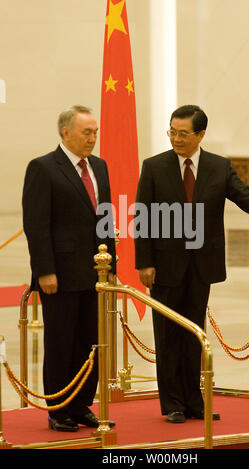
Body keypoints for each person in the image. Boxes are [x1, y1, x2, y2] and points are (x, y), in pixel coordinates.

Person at [134, 104, 249, 424]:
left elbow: (243, 194)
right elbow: (143, 216)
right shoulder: (154, 166)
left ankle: (194, 400)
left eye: (183, 133)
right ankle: (173, 404)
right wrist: (144, 262)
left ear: (200, 135)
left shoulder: (218, 167)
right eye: (172, 132)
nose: (176, 139)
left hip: (201, 265)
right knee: (168, 335)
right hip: (165, 266)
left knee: (195, 333)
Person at [22, 105, 116, 432]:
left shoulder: (100, 167)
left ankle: (81, 406)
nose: (93, 138)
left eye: (95, 132)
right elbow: (36, 225)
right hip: (59, 275)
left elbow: (105, 218)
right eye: (86, 132)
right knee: (61, 344)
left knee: (91, 344)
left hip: (95, 273)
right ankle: (58, 409)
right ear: (66, 132)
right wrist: (44, 271)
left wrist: (111, 266)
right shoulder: (44, 168)